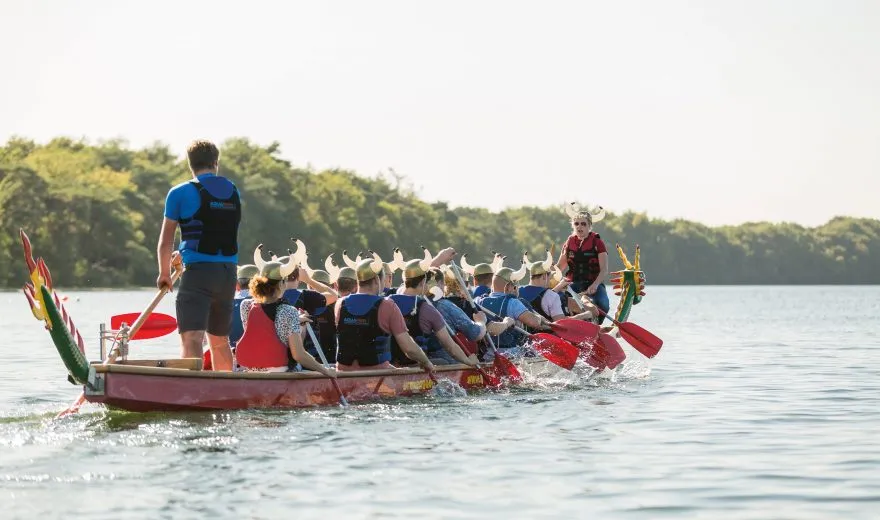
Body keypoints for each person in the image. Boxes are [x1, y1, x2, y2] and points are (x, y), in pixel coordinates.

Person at [156, 140, 239, 371]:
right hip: (227, 274)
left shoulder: (179, 192)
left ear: (190, 164)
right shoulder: (233, 190)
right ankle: (225, 393)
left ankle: (192, 391)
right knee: (220, 341)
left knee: (192, 338)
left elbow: (165, 240)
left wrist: (164, 273)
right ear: (216, 163)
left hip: (198, 274)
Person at [236, 256, 335, 376]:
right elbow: (299, 355)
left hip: (251, 369)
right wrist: (325, 370)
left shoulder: (245, 306)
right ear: (281, 284)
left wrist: (295, 320)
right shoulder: (289, 311)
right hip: (281, 371)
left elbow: (262, 328)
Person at [335, 258, 436, 374]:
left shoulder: (340, 304)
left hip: (343, 374)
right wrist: (426, 362)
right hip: (377, 374)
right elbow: (409, 349)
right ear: (377, 280)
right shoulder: (388, 305)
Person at [388, 262, 478, 367]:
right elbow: (450, 346)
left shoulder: (385, 303)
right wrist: (468, 361)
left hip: (390, 366)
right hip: (417, 367)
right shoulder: (427, 309)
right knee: (444, 362)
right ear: (423, 282)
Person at [432, 267, 515, 349]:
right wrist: (506, 323)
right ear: (462, 284)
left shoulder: (436, 303)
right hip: (464, 353)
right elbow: (492, 329)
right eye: (467, 283)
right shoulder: (467, 304)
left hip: (442, 350)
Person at [475, 266, 552, 355]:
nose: (517, 288)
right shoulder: (513, 302)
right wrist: (538, 317)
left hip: (486, 353)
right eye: (515, 286)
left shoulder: (478, 301)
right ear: (508, 287)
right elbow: (535, 323)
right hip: (511, 353)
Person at [556, 204, 610, 323]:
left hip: (593, 283)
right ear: (573, 225)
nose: (579, 227)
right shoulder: (569, 242)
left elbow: (604, 269)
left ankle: (596, 326)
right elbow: (560, 266)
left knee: (603, 304)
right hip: (573, 284)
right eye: (577, 224)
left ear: (589, 226)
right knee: (557, 299)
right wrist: (548, 276)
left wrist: (595, 285)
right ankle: (566, 323)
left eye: (583, 224)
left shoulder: (597, 242)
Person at [518, 261, 596, 326]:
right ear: (544, 277)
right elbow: (561, 322)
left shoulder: (517, 292)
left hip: (525, 337)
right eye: (549, 277)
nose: (549, 281)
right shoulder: (551, 295)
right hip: (548, 336)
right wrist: (584, 315)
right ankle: (585, 301)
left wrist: (559, 287)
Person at [230, 264, 259, 350]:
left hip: (231, 354)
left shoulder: (225, 303)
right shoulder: (263, 303)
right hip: (254, 353)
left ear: (237, 283)